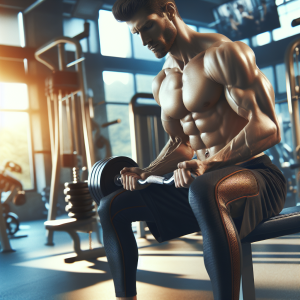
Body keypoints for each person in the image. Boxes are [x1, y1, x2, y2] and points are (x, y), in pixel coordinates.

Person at [98, 1, 287, 299]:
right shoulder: (162, 81)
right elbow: (182, 145)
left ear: (169, 12)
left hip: (257, 178)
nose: (144, 40)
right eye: (137, 33)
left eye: (148, 25)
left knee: (203, 189)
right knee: (112, 206)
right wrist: (145, 172)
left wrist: (208, 165)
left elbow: (268, 127)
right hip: (205, 184)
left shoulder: (224, 54)